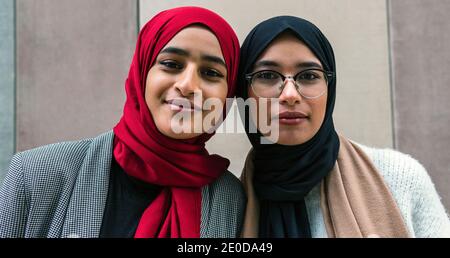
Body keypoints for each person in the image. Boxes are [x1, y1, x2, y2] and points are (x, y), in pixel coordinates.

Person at [0, 6, 244, 238]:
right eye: (171, 64)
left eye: (211, 73)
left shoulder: (231, 200)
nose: (188, 85)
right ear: (142, 71)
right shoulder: (36, 174)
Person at [237, 16, 450, 238]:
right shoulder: (225, 205)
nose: (289, 95)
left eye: (309, 76)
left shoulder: (400, 178)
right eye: (267, 76)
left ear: (330, 88)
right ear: (244, 92)